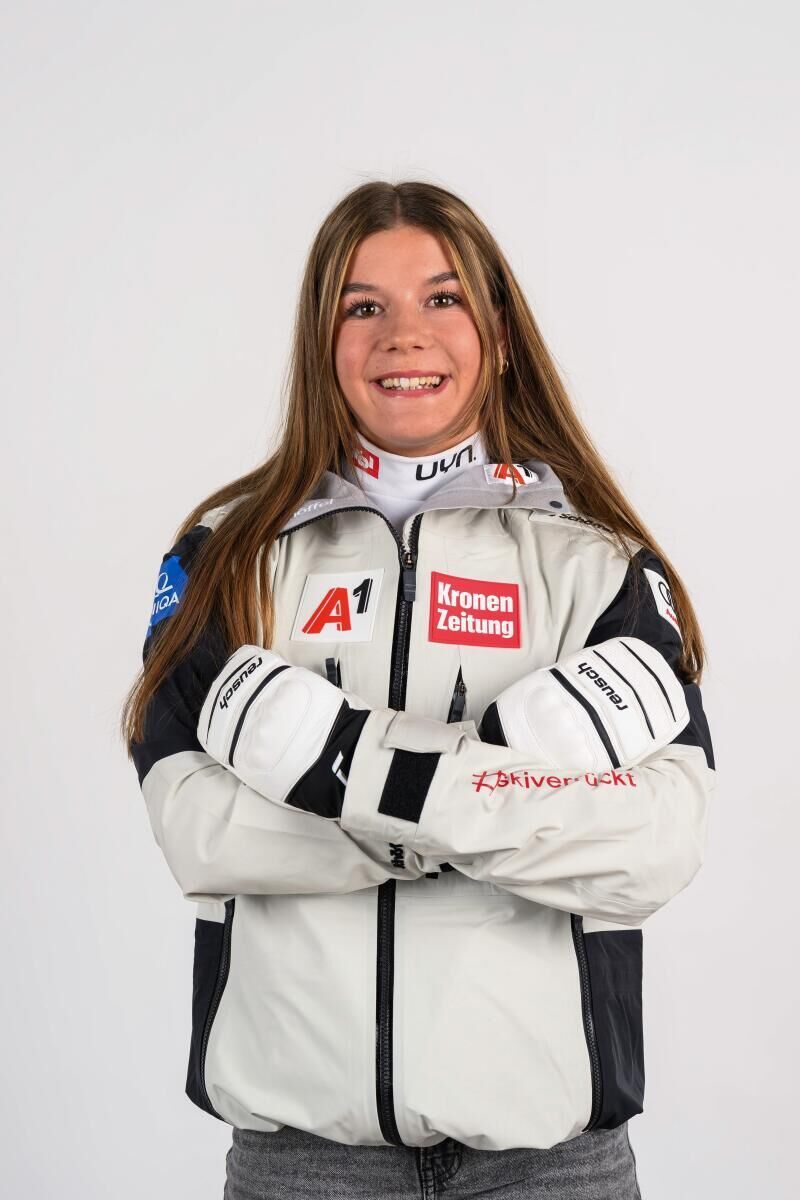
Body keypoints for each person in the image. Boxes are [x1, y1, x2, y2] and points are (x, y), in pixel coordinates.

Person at [120, 180, 715, 1200]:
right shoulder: (225, 560)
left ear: (498, 332)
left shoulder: (597, 566)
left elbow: (656, 841)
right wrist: (497, 790)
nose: (406, 334)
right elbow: (199, 831)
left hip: (550, 1164)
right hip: (303, 1163)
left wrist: (331, 765)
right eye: (365, 306)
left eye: (443, 298)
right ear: (322, 339)